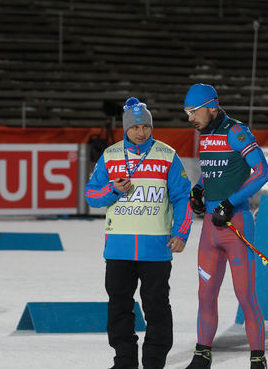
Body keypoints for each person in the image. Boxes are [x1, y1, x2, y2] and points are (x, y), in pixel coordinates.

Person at [85, 97, 193, 369]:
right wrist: (113, 190)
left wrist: (181, 232)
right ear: (126, 129)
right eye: (135, 127)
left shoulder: (167, 155)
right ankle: (124, 362)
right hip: (118, 249)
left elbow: (182, 198)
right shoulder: (110, 156)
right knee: (119, 307)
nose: (141, 132)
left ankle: (154, 363)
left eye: (145, 126)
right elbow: (91, 196)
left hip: (156, 248)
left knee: (156, 309)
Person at [182, 83, 268, 369]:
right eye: (186, 112)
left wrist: (230, 202)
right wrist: (198, 189)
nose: (189, 118)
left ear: (211, 106)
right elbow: (214, 172)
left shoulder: (236, 131)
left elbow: (262, 172)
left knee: (245, 295)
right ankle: (202, 355)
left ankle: (258, 359)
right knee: (205, 293)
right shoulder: (205, 134)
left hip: (236, 225)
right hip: (210, 228)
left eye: (193, 112)